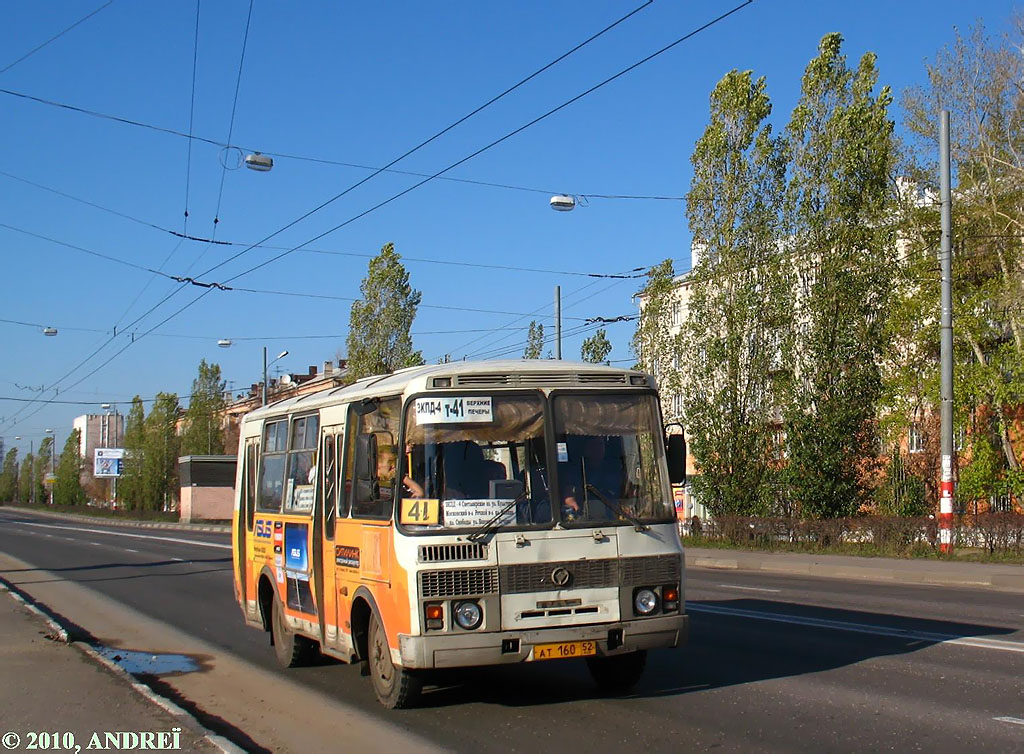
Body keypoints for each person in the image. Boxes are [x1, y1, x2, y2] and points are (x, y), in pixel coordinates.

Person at [561, 436, 623, 519]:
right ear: (585, 450)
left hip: (617, 518)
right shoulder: (576, 471)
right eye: (593, 445)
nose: (598, 448)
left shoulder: (613, 468)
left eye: (600, 444)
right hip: (586, 518)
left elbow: (624, 491)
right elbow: (569, 495)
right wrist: (573, 504)